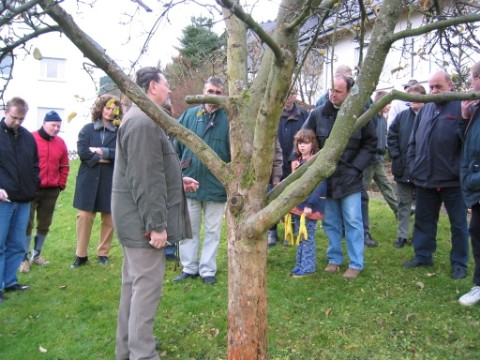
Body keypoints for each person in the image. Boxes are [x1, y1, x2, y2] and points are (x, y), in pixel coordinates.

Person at [113, 67, 197, 360]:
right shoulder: (143, 123)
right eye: (166, 85)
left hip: (134, 219)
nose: (170, 90)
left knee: (133, 287)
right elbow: (145, 180)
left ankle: (127, 349)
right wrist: (157, 226)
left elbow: (150, 170)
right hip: (142, 224)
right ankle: (143, 354)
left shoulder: (142, 119)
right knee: (146, 289)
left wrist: (178, 180)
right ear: (152, 87)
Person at [303, 75, 377, 280]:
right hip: (327, 179)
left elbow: (371, 143)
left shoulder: (359, 115)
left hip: (351, 177)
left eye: (338, 91)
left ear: (348, 93)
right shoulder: (318, 114)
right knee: (331, 222)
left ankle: (356, 263)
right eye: (331, 90)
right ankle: (334, 259)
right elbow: (305, 137)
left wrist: (356, 167)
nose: (332, 95)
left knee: (353, 221)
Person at [402, 70, 469, 280]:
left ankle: (459, 263)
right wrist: (413, 165)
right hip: (424, 178)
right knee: (423, 220)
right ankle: (423, 255)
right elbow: (413, 141)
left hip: (452, 180)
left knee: (458, 224)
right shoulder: (426, 109)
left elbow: (467, 143)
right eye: (431, 87)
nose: (433, 91)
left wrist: (459, 170)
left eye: (438, 86)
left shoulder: (460, 108)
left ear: (450, 85)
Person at [173, 76, 231, 285]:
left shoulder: (229, 119)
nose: (213, 95)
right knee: (189, 229)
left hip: (216, 185)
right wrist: (178, 173)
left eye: (217, 92)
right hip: (190, 183)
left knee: (213, 231)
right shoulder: (189, 116)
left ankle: (208, 269)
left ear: (222, 94)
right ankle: (189, 267)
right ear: (203, 91)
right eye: (210, 91)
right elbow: (175, 147)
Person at [70, 94, 122, 268]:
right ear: (100, 109)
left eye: (114, 108)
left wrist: (99, 151)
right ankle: (81, 255)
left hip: (110, 180)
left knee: (109, 219)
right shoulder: (87, 129)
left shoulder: (119, 132)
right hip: (88, 179)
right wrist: (103, 156)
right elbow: (83, 152)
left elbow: (120, 154)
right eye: (107, 107)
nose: (110, 111)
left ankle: (103, 254)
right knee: (84, 216)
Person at [19, 111, 69, 273]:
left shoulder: (60, 143)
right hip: (31, 189)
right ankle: (23, 258)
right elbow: (23, 162)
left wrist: (60, 184)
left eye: (58, 126)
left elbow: (64, 165)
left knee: (44, 223)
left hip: (51, 190)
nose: (56, 129)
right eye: (53, 125)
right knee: (27, 223)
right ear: (44, 123)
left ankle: (37, 254)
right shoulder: (30, 139)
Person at [0, 97, 39, 302]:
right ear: (6, 111)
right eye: (14, 117)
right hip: (3, 201)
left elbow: (34, 164)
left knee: (17, 244)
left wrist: (33, 185)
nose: (17, 122)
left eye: (21, 119)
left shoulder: (27, 137)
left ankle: (10, 281)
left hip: (24, 198)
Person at [268, 86, 309, 246]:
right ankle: (271, 230)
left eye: (291, 93)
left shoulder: (303, 114)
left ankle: (289, 229)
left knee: (292, 197)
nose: (288, 97)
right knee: (272, 196)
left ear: (295, 95)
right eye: (285, 93)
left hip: (295, 162)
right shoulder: (273, 113)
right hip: (274, 163)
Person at [387, 84, 427, 248]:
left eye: (415, 96)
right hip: (403, 169)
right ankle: (402, 236)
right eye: (409, 97)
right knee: (403, 203)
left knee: (423, 206)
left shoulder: (429, 115)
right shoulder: (402, 116)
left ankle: (420, 237)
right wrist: (396, 156)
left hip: (423, 170)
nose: (412, 101)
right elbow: (391, 137)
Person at [361, 91, 398, 247]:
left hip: (379, 160)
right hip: (369, 160)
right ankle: (362, 229)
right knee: (362, 193)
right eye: (388, 102)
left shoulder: (383, 119)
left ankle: (398, 210)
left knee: (386, 185)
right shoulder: (372, 117)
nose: (390, 106)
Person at [288, 129, 326, 278]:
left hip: (311, 206)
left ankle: (308, 267)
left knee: (308, 236)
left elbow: (319, 185)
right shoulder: (297, 162)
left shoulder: (316, 163)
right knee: (299, 235)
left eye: (306, 142)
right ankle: (299, 265)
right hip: (298, 205)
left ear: (313, 144)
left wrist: (310, 204)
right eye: (299, 143)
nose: (302, 146)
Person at [458, 61, 480, 306]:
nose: (470, 85)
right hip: (475, 183)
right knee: (476, 231)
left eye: (472, 79)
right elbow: (467, 145)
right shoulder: (476, 109)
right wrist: (465, 119)